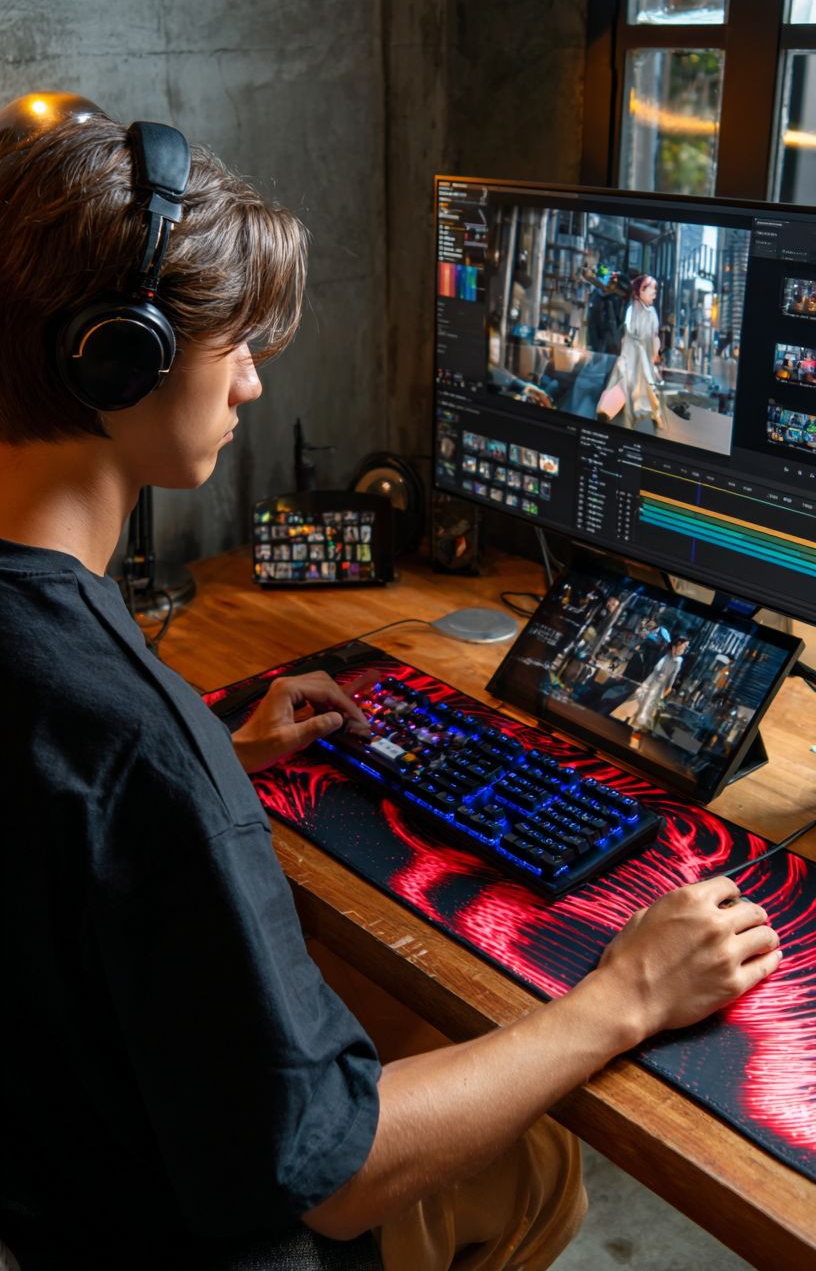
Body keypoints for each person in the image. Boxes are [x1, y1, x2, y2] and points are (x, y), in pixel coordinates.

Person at [0, 95, 783, 1271]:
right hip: (219, 1242)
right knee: (543, 1157)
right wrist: (620, 994)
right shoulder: (143, 750)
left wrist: (226, 756)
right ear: (121, 360)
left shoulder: (78, 688)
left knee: (411, 1018)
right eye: (238, 346)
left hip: (69, 1183)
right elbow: (336, 1175)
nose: (254, 386)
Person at [596, 273, 665, 430]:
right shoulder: (631, 309)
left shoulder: (644, 311)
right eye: (651, 289)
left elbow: (650, 336)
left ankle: (653, 415)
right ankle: (607, 412)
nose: (654, 293)